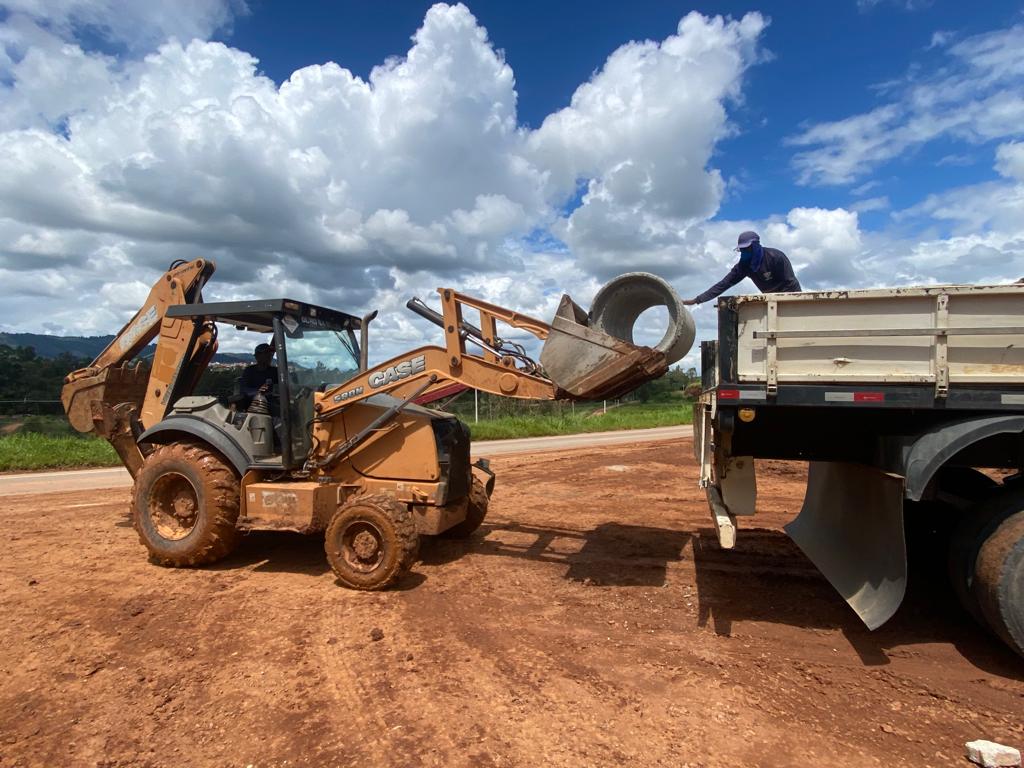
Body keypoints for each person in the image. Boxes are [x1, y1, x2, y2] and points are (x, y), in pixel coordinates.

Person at [683, 231, 801, 306]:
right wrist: (697, 300)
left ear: (755, 246)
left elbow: (789, 282)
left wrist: (782, 302)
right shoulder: (744, 266)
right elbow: (724, 284)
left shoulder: (775, 257)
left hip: (792, 297)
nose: (744, 252)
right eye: (742, 249)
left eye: (747, 248)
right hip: (770, 300)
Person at [235, 342, 278, 410]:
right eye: (266, 353)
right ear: (257, 356)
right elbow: (243, 390)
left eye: (270, 353)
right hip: (254, 406)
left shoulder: (275, 371)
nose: (270, 355)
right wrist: (258, 390)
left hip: (272, 404)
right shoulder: (249, 371)